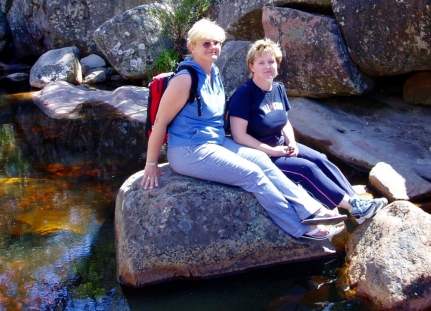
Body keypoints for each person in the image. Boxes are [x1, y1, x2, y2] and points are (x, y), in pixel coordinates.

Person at [141, 19, 347, 241]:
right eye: (206, 43)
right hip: (189, 150)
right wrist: (151, 164)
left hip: (217, 142)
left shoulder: (214, 73)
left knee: (261, 160)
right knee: (252, 174)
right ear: (192, 47)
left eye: (216, 42)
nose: (213, 47)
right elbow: (160, 123)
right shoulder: (185, 79)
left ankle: (311, 210)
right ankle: (299, 228)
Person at [229, 38, 388, 224]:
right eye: (261, 63)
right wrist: (272, 151)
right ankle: (351, 207)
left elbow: (284, 122)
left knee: (320, 158)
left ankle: (355, 200)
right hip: (260, 154)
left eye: (271, 62)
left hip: (281, 145)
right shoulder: (244, 94)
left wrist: (292, 142)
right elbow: (239, 136)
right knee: (306, 169)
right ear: (251, 66)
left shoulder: (278, 88)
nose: (267, 67)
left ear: (277, 64)